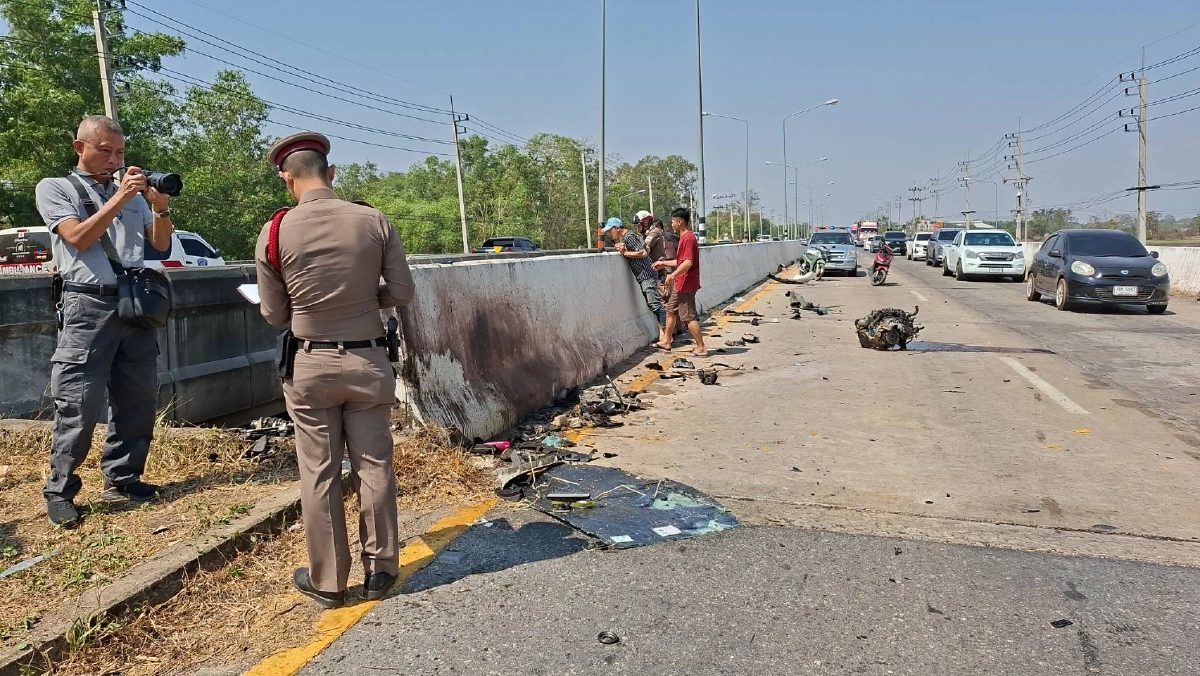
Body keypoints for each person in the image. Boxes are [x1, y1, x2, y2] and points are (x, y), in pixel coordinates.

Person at [255, 131, 416, 609]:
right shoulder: (373, 219)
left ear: (287, 179)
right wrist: (364, 299)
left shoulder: (275, 231)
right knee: (374, 465)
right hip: (368, 360)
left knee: (319, 472)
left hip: (310, 364)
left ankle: (327, 581)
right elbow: (402, 292)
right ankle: (381, 570)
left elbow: (274, 314)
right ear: (331, 172)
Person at [35, 115, 176, 528]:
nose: (114, 160)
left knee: (137, 398)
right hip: (87, 304)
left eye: (119, 153)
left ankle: (123, 477)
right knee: (79, 402)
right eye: (105, 151)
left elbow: (161, 244)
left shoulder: (129, 194)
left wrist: (160, 207)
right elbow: (78, 237)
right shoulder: (56, 188)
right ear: (80, 147)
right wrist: (120, 197)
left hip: (134, 302)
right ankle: (60, 489)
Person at [603, 217, 669, 349]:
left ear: (617, 228)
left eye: (610, 231)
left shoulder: (629, 237)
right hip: (645, 275)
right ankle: (664, 335)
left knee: (655, 305)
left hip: (646, 275)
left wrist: (625, 253)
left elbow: (643, 252)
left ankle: (667, 336)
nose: (610, 234)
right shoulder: (629, 237)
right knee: (654, 305)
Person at [653, 207, 707, 357]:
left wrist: (672, 275)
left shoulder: (688, 238)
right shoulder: (684, 238)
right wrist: (663, 264)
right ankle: (666, 341)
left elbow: (687, 263)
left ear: (679, 222)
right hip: (681, 282)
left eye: (673, 222)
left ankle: (701, 347)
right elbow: (681, 261)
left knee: (688, 317)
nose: (671, 225)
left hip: (686, 283)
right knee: (670, 309)